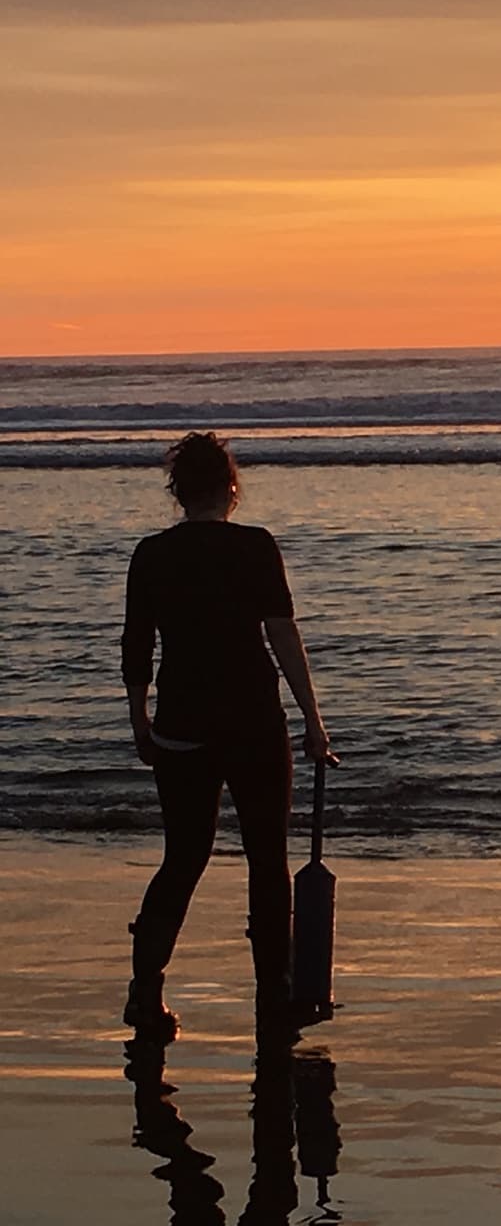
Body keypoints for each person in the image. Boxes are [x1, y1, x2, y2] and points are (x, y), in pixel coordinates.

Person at [122, 431, 337, 1042]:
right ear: (231, 488)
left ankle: (146, 989)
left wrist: (140, 721)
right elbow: (283, 637)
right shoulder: (255, 547)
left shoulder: (152, 554)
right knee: (267, 860)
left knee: (183, 858)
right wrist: (314, 723)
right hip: (253, 724)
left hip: (182, 727)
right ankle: (275, 997)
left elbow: (137, 647)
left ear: (178, 492)